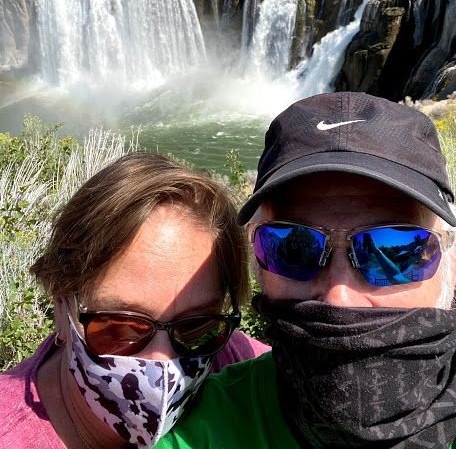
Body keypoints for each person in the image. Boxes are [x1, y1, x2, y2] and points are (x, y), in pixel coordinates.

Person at [157, 91, 456, 449]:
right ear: (258, 263)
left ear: (448, 260)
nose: (339, 296)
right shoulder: (204, 431)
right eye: (293, 247)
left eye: (394, 250)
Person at [0, 152, 269, 448]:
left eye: (195, 327)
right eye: (120, 328)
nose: (163, 365)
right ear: (63, 307)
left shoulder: (237, 364)